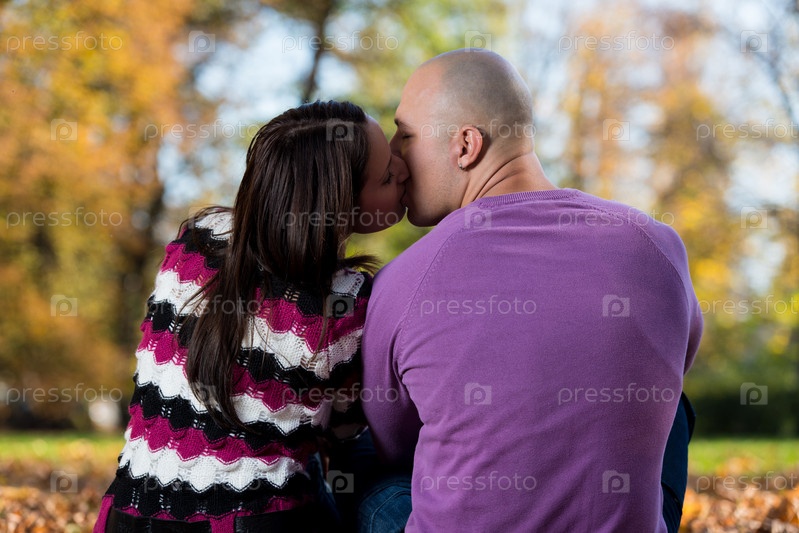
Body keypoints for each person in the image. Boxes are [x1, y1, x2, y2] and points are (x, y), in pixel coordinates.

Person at [359, 49, 703, 532]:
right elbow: (677, 361)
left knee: (370, 469)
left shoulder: (402, 280)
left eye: (406, 134)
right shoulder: (658, 244)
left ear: (465, 146)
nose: (395, 155)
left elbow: (392, 442)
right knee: (674, 408)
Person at [94, 100, 409, 533]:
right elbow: (344, 432)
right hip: (250, 520)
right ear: (341, 204)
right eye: (387, 176)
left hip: (131, 514)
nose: (404, 171)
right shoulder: (344, 303)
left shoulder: (195, 242)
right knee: (371, 456)